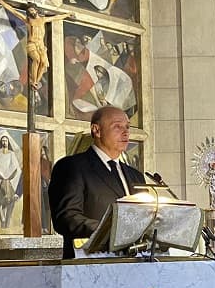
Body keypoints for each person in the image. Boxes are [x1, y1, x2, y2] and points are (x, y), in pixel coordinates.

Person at [49, 106, 145, 258]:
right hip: (90, 264)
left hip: (135, 263)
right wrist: (111, 230)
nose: (126, 132)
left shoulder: (136, 176)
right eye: (117, 126)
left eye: (127, 127)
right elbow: (67, 218)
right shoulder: (72, 167)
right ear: (97, 130)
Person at [0, 0, 73, 89]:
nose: (31, 12)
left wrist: (67, 15)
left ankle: (36, 81)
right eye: (29, 11)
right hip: (32, 44)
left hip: (41, 46)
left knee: (43, 63)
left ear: (36, 10)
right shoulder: (28, 20)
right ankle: (33, 81)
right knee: (36, 59)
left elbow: (55, 18)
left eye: (32, 10)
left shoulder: (43, 19)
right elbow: (13, 11)